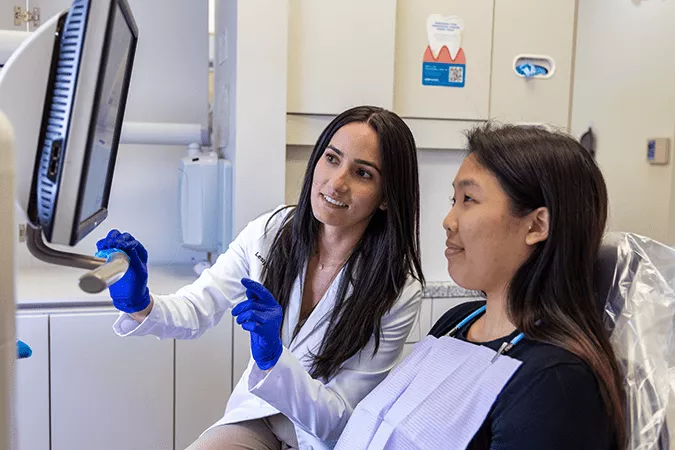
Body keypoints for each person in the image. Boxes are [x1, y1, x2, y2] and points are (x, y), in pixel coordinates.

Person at [95, 105, 425, 450]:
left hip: (321, 440)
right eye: (331, 158)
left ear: (387, 197)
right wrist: (140, 303)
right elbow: (196, 307)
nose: (337, 182)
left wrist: (272, 358)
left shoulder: (398, 289)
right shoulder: (271, 232)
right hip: (259, 418)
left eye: (363, 174)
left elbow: (340, 419)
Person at [335, 124, 625, 450]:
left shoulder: (556, 381)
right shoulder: (457, 322)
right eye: (453, 199)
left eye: (469, 199)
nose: (448, 219)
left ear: (537, 225)